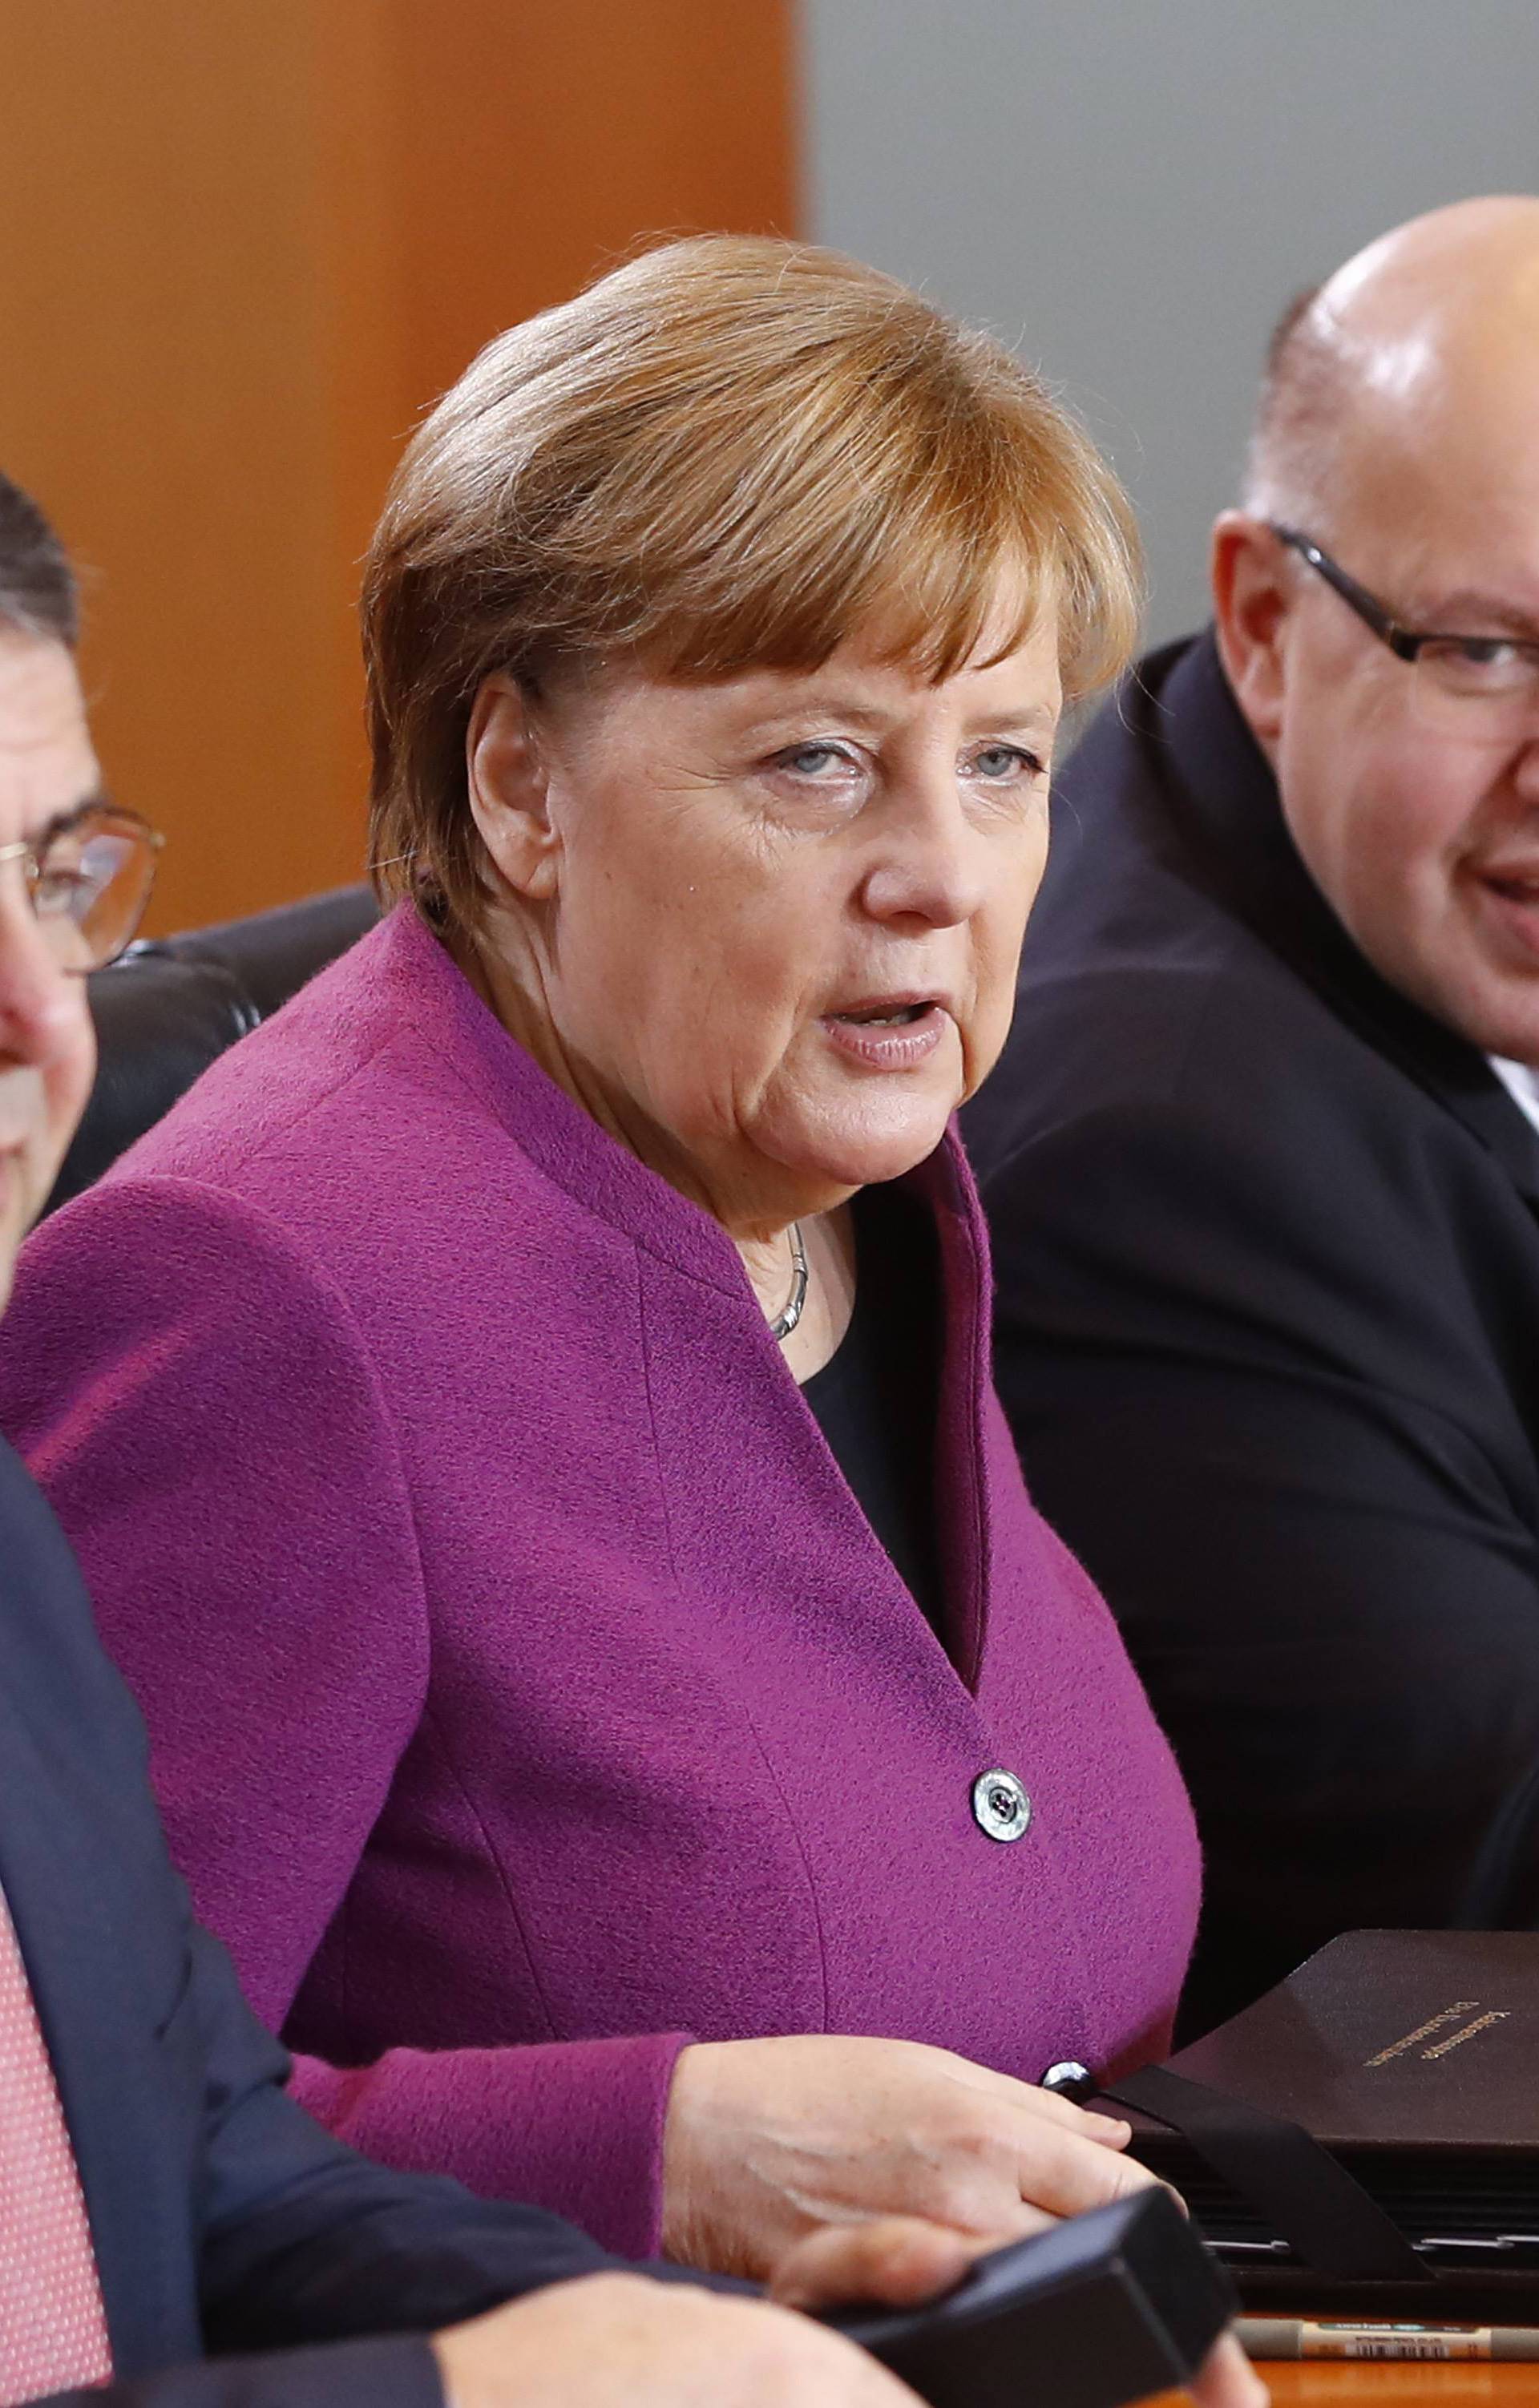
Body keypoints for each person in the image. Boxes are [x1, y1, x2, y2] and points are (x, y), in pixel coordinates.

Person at [0, 237, 1200, 2274]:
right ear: (517, 779)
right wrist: (665, 2144)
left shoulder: (846, 1175)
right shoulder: (256, 1290)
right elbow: (64, 2153)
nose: (940, 877)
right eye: (815, 760)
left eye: (1000, 757)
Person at [963, 193, 1539, 2037]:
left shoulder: (1405, 888)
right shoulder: (1169, 1151)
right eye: (1491, 652)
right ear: (1268, 627)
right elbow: (1486, 1881)